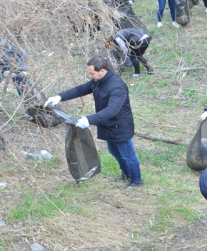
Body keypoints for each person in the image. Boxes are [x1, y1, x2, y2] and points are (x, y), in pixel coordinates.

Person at [44, 56, 143, 190]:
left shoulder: (117, 87)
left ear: (102, 71)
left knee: (128, 155)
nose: (90, 76)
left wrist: (89, 120)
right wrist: (59, 97)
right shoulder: (98, 81)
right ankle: (126, 175)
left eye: (92, 73)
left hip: (120, 126)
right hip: (107, 125)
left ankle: (137, 181)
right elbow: (80, 90)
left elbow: (113, 109)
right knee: (114, 151)